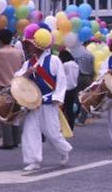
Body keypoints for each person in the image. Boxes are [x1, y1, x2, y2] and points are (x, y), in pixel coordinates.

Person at [13, 27, 73, 171]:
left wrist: (58, 97)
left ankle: (64, 150)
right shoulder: (28, 63)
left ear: (37, 44)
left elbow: (61, 80)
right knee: (29, 130)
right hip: (33, 103)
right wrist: (27, 73)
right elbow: (17, 78)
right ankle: (33, 160)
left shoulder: (54, 60)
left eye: (29, 44)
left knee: (52, 133)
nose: (28, 47)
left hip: (48, 101)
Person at [69, 34, 95, 125]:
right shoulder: (90, 55)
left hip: (78, 77)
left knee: (76, 98)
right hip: (88, 77)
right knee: (86, 99)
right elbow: (92, 68)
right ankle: (82, 119)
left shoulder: (75, 54)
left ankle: (75, 116)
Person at [59, 49, 80, 131]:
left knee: (62, 109)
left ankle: (61, 127)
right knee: (70, 110)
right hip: (73, 88)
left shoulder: (65, 65)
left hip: (65, 88)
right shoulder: (75, 64)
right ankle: (71, 127)